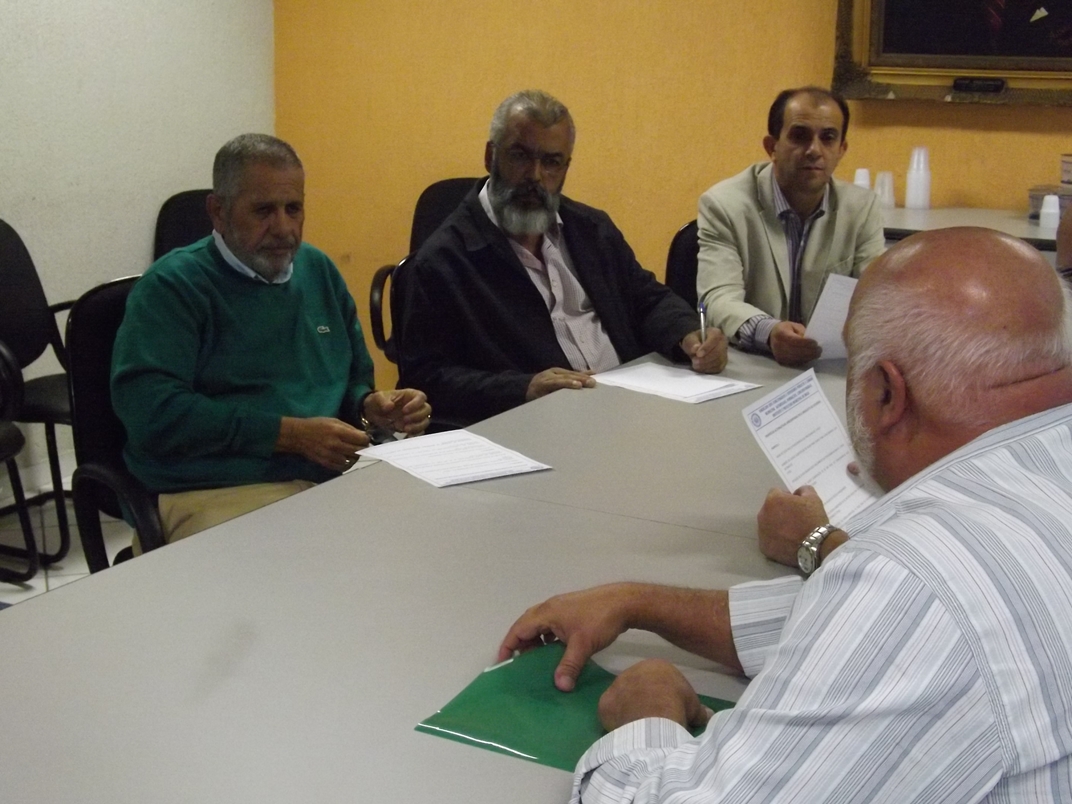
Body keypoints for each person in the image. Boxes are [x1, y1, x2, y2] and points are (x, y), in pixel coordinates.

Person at [499, 227, 1072, 802]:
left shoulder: (917, 580)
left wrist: (646, 716)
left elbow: (902, 614)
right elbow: (845, 621)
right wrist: (637, 602)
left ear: (886, 395)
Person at [112, 134, 430, 544]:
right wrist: (290, 435)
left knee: (425, 535)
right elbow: (152, 413)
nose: (283, 228)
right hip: (216, 487)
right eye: (263, 210)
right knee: (306, 563)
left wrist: (371, 408)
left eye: (293, 208)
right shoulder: (173, 288)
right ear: (218, 212)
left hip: (324, 475)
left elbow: (351, 378)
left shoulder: (318, 271)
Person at [398, 90, 727, 427]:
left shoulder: (591, 229)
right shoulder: (443, 262)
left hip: (630, 409)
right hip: (538, 427)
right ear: (490, 156)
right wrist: (523, 388)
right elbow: (426, 379)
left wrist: (688, 334)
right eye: (520, 156)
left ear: (566, 167)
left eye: (551, 162)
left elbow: (646, 298)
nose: (535, 175)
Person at [696, 87, 885, 367]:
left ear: (841, 150)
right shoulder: (725, 205)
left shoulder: (861, 209)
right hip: (753, 364)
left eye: (828, 138)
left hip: (828, 366)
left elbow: (878, 296)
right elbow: (718, 297)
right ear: (771, 147)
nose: (814, 150)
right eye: (799, 136)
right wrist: (769, 332)